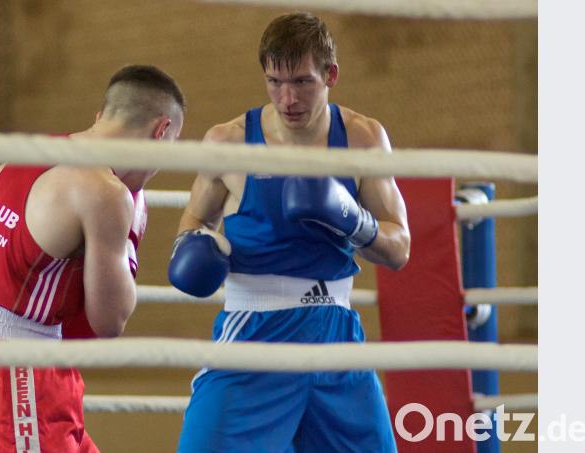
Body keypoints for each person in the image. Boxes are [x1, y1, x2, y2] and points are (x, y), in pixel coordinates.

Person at [168, 12, 410, 453]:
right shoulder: (230, 142)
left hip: (335, 335)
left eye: (301, 82)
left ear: (331, 75)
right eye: (274, 82)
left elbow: (399, 249)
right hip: (253, 335)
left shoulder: (362, 139)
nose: (287, 98)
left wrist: (351, 219)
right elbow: (194, 220)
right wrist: (194, 247)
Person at [0, 65, 185, 453]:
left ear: (101, 117)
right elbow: (109, 320)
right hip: (12, 364)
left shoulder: (37, 152)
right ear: (161, 131)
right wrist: (127, 239)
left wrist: (19, 280)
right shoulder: (106, 192)